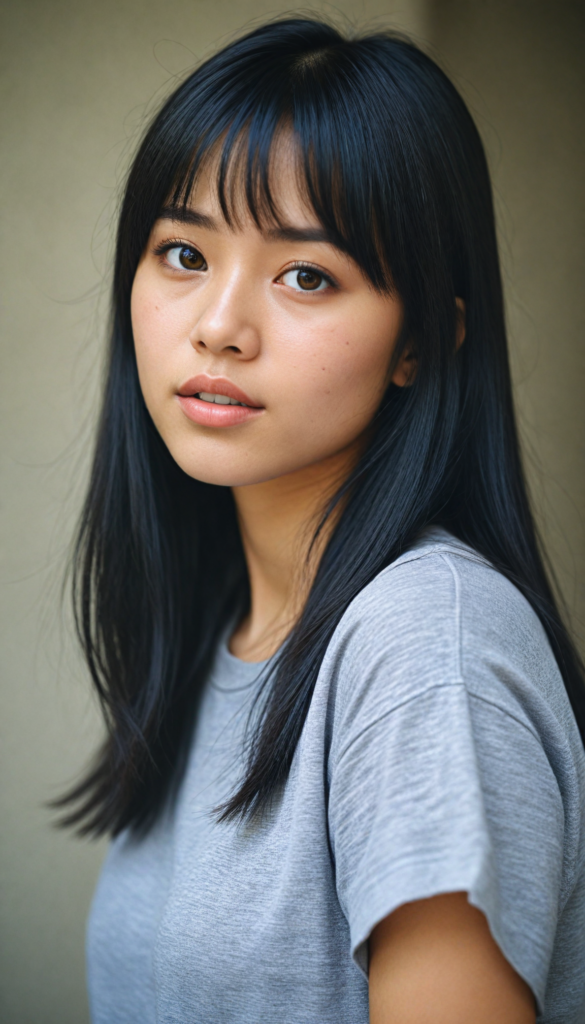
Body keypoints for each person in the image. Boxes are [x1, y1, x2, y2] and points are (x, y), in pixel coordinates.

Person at [57, 17, 585, 1023]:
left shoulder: (422, 646)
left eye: (307, 274)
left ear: (422, 339)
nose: (219, 323)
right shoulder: (230, 632)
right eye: (180, 252)